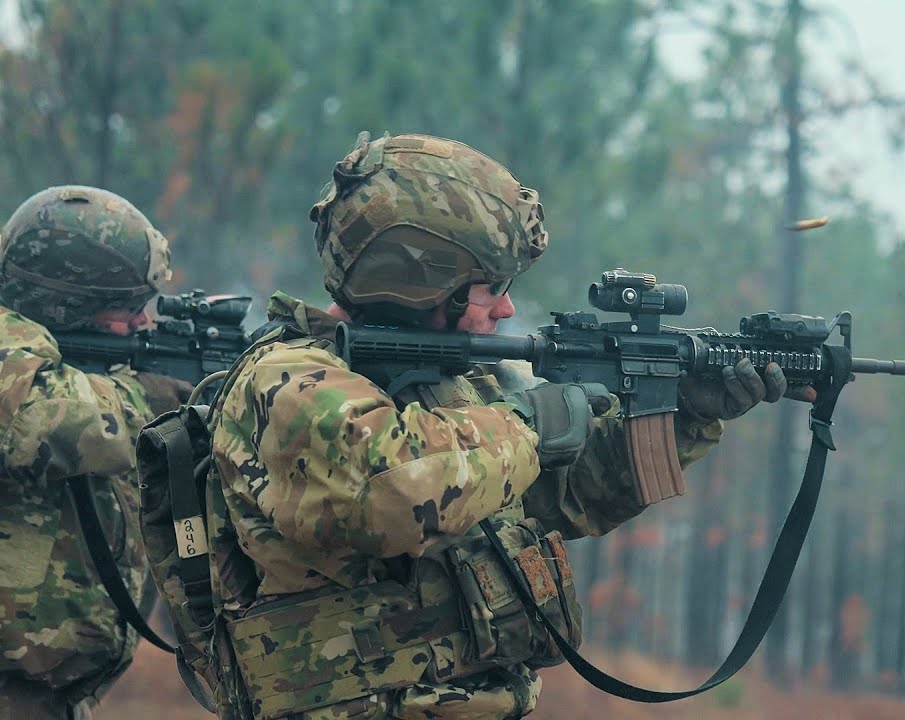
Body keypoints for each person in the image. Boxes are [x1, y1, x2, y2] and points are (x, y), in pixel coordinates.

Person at [205, 132, 800, 720]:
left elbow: (565, 496)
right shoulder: (288, 380)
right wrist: (529, 423)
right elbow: (391, 492)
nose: (507, 308)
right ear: (419, 278)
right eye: (491, 287)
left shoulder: (453, 389)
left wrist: (686, 412)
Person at [0, 186, 191, 720]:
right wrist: (153, 399)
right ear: (65, 305)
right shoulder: (13, 352)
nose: (144, 324)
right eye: (127, 308)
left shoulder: (87, 370)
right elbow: (34, 419)